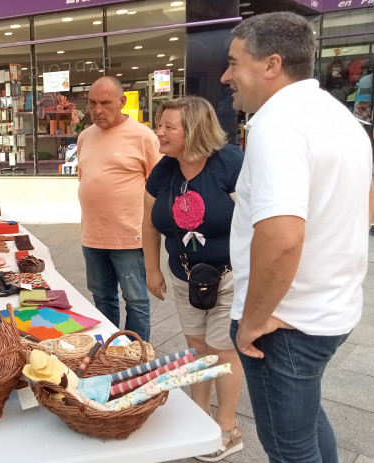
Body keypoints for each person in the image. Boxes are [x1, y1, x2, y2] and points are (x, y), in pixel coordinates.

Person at [221, 12, 372, 462]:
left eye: (234, 62)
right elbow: (363, 201)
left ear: (270, 64)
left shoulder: (277, 125)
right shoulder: (336, 116)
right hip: (330, 309)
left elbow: (282, 237)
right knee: (306, 425)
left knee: (289, 448)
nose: (226, 75)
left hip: (285, 323)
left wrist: (253, 319)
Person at [142, 97, 244, 461]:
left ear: (195, 130)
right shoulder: (165, 169)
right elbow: (148, 221)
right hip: (184, 278)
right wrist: (152, 268)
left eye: (169, 127)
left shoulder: (230, 163)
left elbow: (256, 222)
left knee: (222, 348)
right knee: (198, 348)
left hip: (229, 276)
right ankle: (199, 419)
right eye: (160, 125)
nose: (160, 132)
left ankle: (227, 426)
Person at [77, 76, 162, 341]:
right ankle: (107, 353)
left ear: (122, 102)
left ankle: (134, 357)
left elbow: (157, 188)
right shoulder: (84, 137)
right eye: (92, 103)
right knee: (102, 298)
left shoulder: (144, 137)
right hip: (92, 236)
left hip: (130, 237)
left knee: (136, 300)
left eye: (105, 103)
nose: (97, 110)